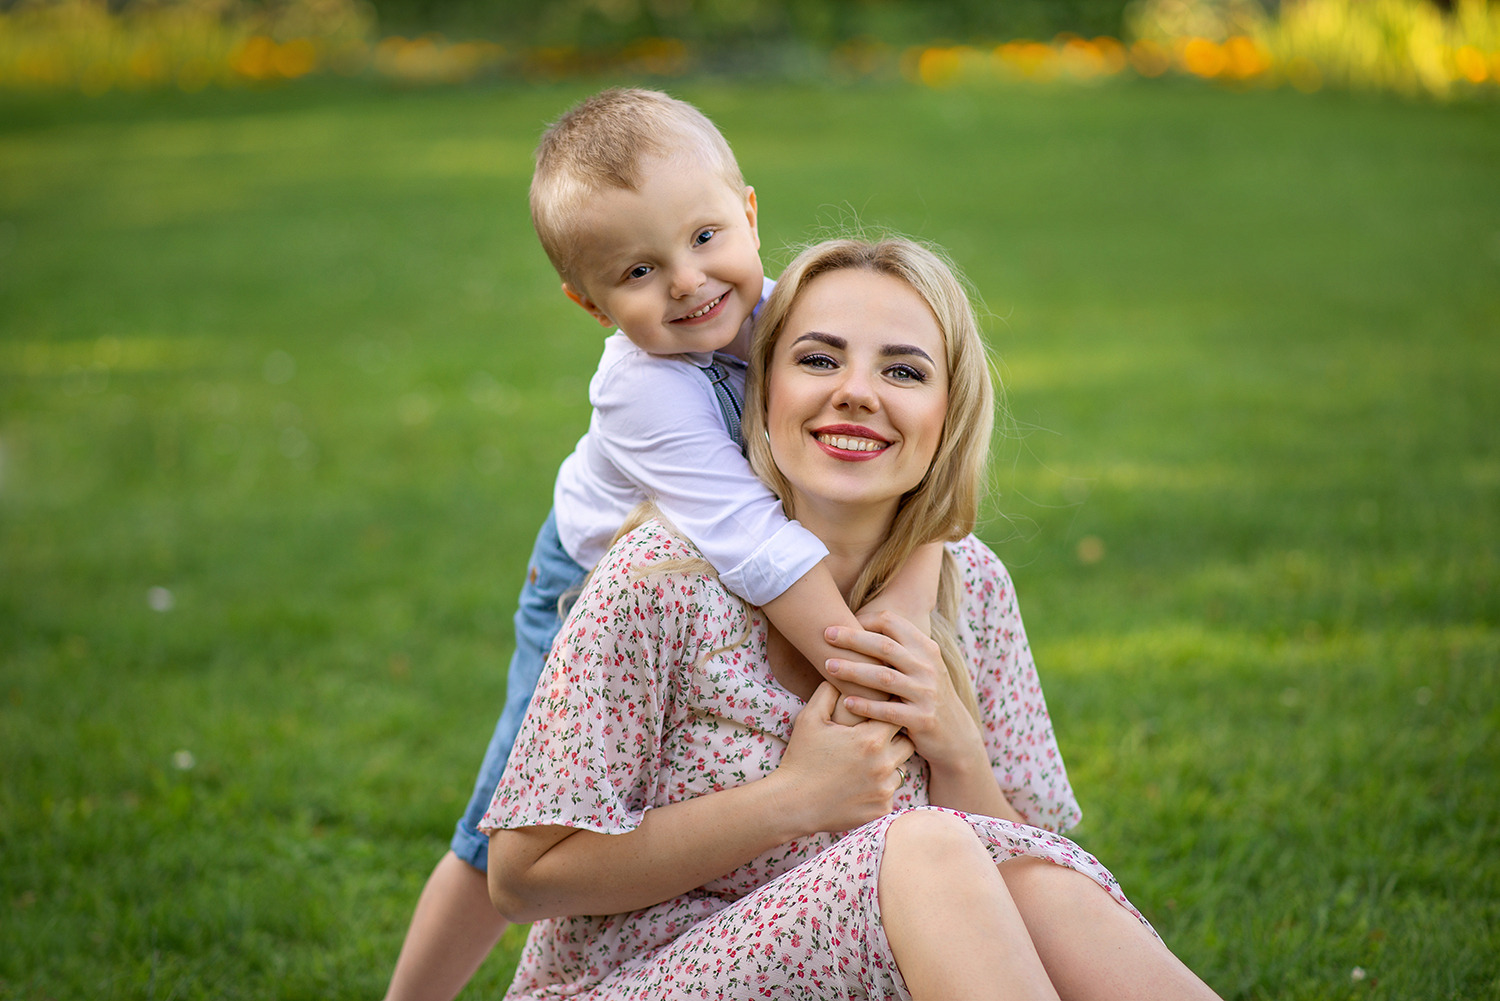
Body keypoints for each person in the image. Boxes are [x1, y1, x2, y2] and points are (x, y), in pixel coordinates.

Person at [481, 236, 1221, 1000]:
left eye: (902, 370)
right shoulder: (661, 581)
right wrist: (791, 800)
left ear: (949, 410)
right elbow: (522, 877)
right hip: (635, 981)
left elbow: (1026, 880)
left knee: (1032, 880)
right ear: (765, 386)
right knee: (928, 846)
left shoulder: (972, 586)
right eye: (819, 359)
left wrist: (958, 753)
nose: (857, 392)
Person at [384, 91, 942, 1000]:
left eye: (706, 237)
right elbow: (754, 544)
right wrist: (872, 671)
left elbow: (927, 463)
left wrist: (911, 587)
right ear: (588, 301)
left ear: (749, 213)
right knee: (507, 821)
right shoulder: (644, 389)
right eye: (639, 270)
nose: (687, 281)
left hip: (715, 580)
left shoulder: (792, 315)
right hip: (592, 582)